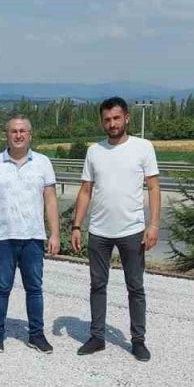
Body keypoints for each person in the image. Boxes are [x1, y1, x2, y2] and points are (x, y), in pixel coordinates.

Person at [68, 97, 160, 361]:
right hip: (99, 231)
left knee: (135, 287)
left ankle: (138, 340)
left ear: (127, 118)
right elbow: (85, 191)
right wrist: (77, 226)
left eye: (116, 118)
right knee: (97, 285)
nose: (112, 124)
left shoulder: (143, 147)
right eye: (107, 119)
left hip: (132, 230)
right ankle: (97, 336)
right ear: (102, 121)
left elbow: (154, 187)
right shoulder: (94, 151)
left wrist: (153, 224)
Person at [0, 116, 59, 353]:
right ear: (7, 135)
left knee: (34, 288)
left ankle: (36, 335)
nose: (19, 135)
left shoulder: (43, 163)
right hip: (2, 237)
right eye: (14, 131)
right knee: (2, 287)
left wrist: (54, 234)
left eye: (23, 131)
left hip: (33, 236)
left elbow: (50, 201)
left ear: (30, 135)